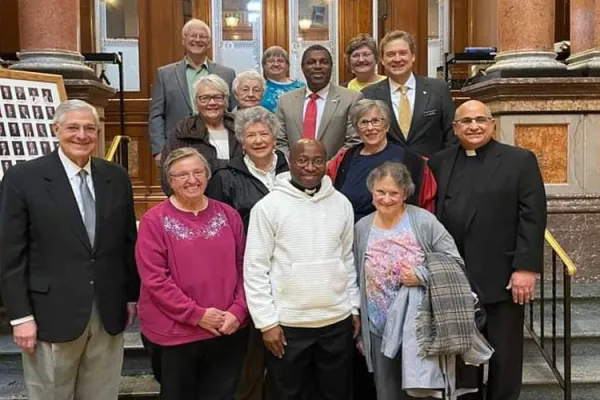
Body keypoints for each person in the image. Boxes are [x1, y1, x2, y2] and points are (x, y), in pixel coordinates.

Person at [0, 99, 139, 400]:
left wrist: (130, 296)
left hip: (107, 313)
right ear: (56, 129)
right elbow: (10, 254)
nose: (82, 135)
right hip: (49, 314)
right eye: (73, 127)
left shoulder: (115, 178)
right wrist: (20, 316)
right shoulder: (23, 179)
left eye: (90, 128)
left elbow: (127, 242)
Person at [429, 100, 547, 400]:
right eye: (465, 122)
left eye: (480, 120)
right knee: (462, 362)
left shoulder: (519, 160)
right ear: (455, 128)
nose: (474, 126)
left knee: (504, 359)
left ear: (492, 124)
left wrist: (526, 268)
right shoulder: (439, 162)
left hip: (503, 278)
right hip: (456, 281)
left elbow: (533, 216)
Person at [353, 162, 487, 400]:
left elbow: (455, 262)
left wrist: (421, 275)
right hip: (378, 325)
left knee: (422, 393)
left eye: (393, 193)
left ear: (405, 193)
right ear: (371, 191)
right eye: (380, 192)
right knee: (387, 393)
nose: (386, 199)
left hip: (419, 327)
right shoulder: (362, 227)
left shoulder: (424, 221)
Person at [244, 139, 360, 400]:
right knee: (288, 394)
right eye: (302, 160)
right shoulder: (268, 207)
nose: (310, 167)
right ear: (290, 162)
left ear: (326, 162)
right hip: (288, 325)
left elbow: (347, 259)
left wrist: (353, 306)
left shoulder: (341, 203)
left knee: (335, 393)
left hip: (336, 321)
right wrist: (266, 322)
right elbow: (255, 269)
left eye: (318, 160)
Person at [136, 147, 248, 400]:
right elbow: (154, 278)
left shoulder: (229, 215)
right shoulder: (154, 221)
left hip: (227, 329)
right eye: (182, 174)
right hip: (177, 334)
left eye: (198, 172)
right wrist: (196, 315)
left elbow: (245, 267)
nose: (192, 180)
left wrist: (238, 310)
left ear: (207, 176)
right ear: (170, 181)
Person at [206, 106, 288, 400]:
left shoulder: (292, 171)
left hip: (289, 277)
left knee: (286, 360)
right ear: (241, 140)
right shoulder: (225, 177)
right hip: (245, 276)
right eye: (250, 135)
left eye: (263, 133)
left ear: (275, 136)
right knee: (249, 360)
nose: (257, 140)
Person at [328, 99, 436, 222]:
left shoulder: (411, 161)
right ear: (357, 130)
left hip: (395, 234)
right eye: (363, 122)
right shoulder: (344, 158)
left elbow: (426, 206)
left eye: (376, 121)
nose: (370, 127)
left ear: (387, 126)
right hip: (349, 232)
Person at [149, 18, 236, 166]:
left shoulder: (227, 74)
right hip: (178, 146)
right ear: (183, 40)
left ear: (209, 42)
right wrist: (159, 150)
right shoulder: (165, 74)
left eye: (202, 37)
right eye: (193, 36)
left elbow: (234, 112)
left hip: (219, 147)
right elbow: (156, 115)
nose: (197, 40)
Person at [362, 30, 456, 158]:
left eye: (403, 53)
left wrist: (441, 165)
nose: (397, 58)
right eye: (390, 54)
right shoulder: (369, 95)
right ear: (382, 60)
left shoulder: (438, 89)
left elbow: (452, 135)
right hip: (387, 172)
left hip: (432, 171)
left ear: (413, 56)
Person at [160, 74, 242, 195]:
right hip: (195, 201)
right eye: (205, 98)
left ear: (226, 101)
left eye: (218, 97)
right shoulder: (183, 132)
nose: (212, 102)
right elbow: (167, 174)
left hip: (238, 202)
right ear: (196, 102)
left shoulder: (240, 129)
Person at [276, 45, 362, 159]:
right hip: (293, 172)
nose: (317, 66)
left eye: (324, 62)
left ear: (331, 67)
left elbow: (353, 141)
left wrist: (328, 167)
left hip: (336, 173)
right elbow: (280, 141)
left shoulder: (351, 99)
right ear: (302, 68)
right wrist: (295, 165)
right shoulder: (285, 101)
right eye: (311, 62)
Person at [260, 46, 305, 113]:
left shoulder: (301, 86)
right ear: (264, 65)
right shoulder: (260, 87)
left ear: (287, 65)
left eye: (280, 61)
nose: (276, 64)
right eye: (271, 61)